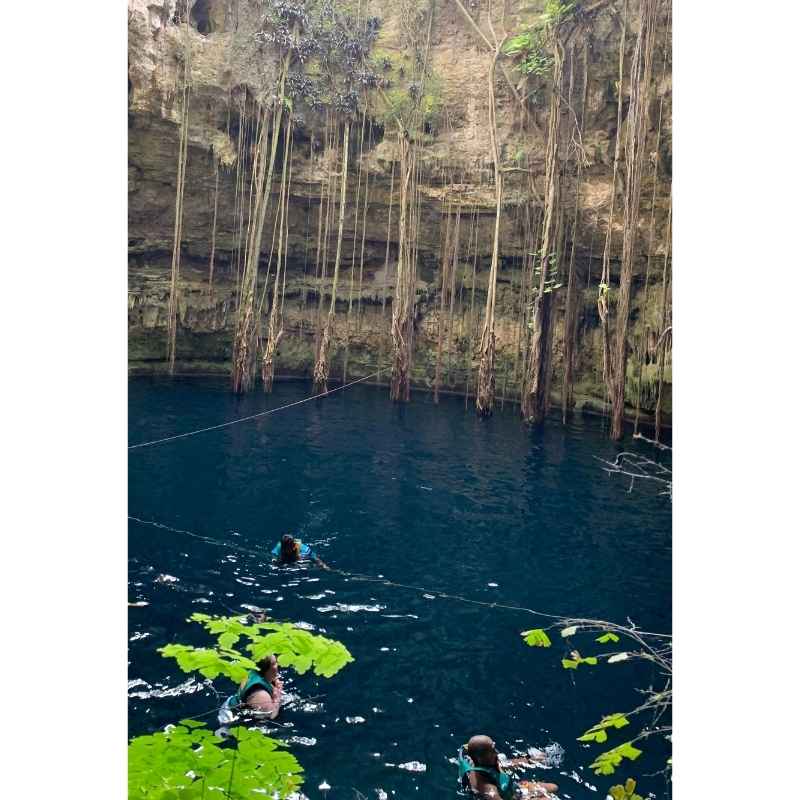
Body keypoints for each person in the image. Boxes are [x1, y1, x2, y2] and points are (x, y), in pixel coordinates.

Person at [458, 735, 559, 799]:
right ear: (481, 757)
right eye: (492, 751)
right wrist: (529, 797)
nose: (496, 752)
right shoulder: (487, 788)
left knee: (553, 787)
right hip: (509, 796)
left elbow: (506, 764)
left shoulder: (485, 760)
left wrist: (530, 760)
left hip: (513, 789)